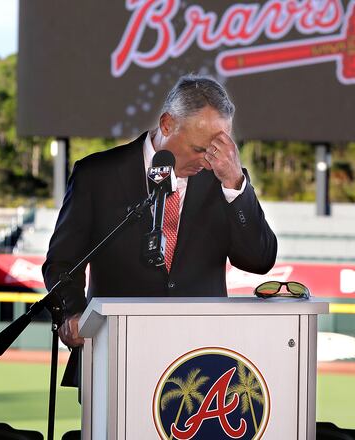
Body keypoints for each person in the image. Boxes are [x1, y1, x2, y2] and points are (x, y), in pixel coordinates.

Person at [42, 75, 278, 386]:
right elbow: (62, 263)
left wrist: (235, 185)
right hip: (114, 356)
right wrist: (72, 316)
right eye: (199, 148)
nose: (208, 161)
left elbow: (259, 260)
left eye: (217, 149)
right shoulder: (97, 175)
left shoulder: (223, 180)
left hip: (200, 362)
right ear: (167, 124)